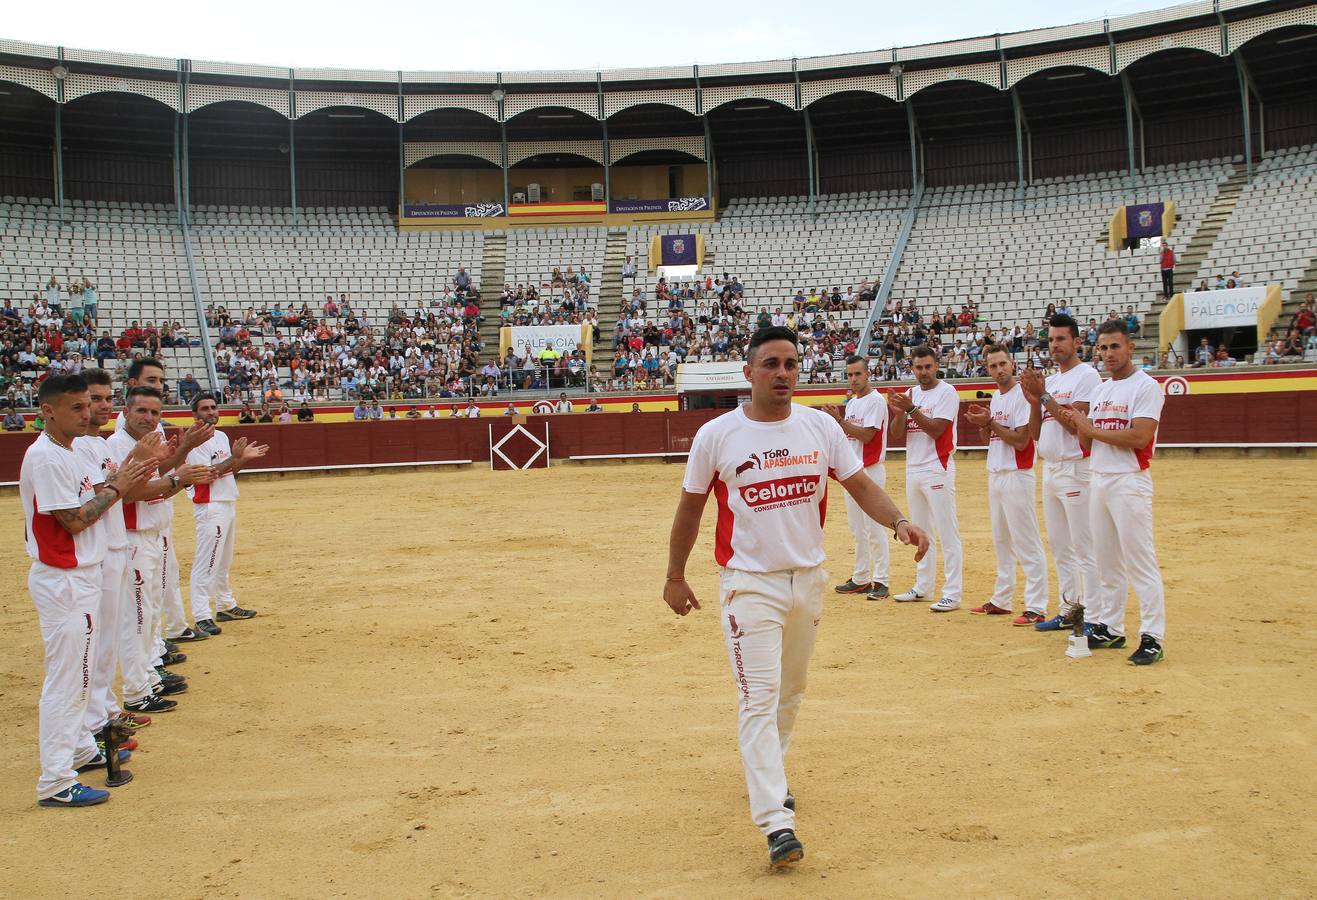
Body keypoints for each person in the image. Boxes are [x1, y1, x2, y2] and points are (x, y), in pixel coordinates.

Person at [663, 326, 928, 868]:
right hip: (748, 583)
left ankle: (771, 776)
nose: (783, 373)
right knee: (759, 698)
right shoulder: (716, 435)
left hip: (808, 580)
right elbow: (690, 508)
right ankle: (775, 822)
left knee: (791, 691)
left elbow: (859, 485)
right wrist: (675, 574)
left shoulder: (819, 426)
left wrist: (899, 521)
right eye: (771, 364)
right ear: (749, 373)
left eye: (790, 364)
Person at [21, 374, 152, 807]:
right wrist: (119, 486)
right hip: (63, 579)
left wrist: (124, 479)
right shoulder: (46, 458)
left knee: (78, 675)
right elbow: (74, 520)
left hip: (79, 575)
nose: (87, 413)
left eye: (87, 405)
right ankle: (56, 781)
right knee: (67, 682)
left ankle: (77, 749)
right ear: (48, 411)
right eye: (76, 408)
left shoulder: (70, 451)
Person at [1058, 321, 1166, 665]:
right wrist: (1079, 426)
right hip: (1099, 478)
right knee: (1106, 559)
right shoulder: (1103, 390)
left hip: (1129, 480)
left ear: (1130, 348)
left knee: (1139, 560)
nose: (1108, 354)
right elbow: (1088, 441)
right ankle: (1111, 625)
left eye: (1114, 347)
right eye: (1102, 348)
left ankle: (1153, 635)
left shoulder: (1146, 387)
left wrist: (1091, 429)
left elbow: (1139, 437)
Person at [108, 387, 203, 710]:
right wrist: (179, 479)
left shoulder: (145, 442)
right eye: (142, 412)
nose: (149, 418)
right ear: (126, 411)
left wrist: (179, 460)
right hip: (133, 536)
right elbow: (130, 493)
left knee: (147, 614)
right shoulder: (119, 445)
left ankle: (148, 676)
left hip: (148, 535)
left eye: (155, 413)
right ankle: (137, 691)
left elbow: (157, 477)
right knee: (137, 618)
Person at [1020, 313, 1104, 632]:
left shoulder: (1087, 377)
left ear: (1077, 342)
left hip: (1076, 468)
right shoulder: (1052, 382)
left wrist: (1043, 396)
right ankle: (1070, 608)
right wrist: (1033, 401)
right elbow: (1036, 434)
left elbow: (1076, 428)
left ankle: (1095, 615)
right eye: (1051, 339)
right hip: (1051, 469)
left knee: (1084, 547)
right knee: (1061, 547)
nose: (1054, 345)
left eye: (1061, 339)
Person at [964, 345, 1048, 624]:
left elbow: (1022, 440)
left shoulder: (1022, 396)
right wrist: (983, 425)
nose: (998, 370)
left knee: (1026, 541)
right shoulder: (998, 399)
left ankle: (1037, 605)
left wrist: (990, 422)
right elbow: (990, 441)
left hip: (1017, 473)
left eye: (1002, 364)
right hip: (997, 473)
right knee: (1002, 541)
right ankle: (1002, 598)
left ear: (1011, 364)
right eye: (993, 366)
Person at [888, 346, 964, 612]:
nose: (923, 372)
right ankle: (923, 586)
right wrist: (899, 413)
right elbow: (897, 434)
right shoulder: (910, 394)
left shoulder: (947, 392)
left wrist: (909, 409)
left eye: (927, 367)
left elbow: (935, 430)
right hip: (914, 468)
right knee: (921, 529)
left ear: (936, 366)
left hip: (936, 467)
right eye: (918, 368)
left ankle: (953, 593)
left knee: (947, 531)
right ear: (912, 368)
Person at [187, 394, 267, 635]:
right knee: (207, 562)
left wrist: (240, 461)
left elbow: (229, 474)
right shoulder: (194, 441)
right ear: (194, 414)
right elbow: (207, 474)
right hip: (209, 505)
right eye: (205, 409)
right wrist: (236, 457)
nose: (211, 412)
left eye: (213, 407)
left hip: (227, 500)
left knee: (222, 561)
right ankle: (201, 615)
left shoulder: (220, 436)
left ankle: (225, 605)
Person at [824, 355, 890, 600]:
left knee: (874, 528)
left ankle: (881, 580)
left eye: (857, 374)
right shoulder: (852, 403)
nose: (853, 379)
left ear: (867, 374)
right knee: (857, 529)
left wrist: (839, 421)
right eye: (850, 375)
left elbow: (868, 436)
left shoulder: (875, 401)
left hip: (870, 471)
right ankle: (861, 577)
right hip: (852, 472)